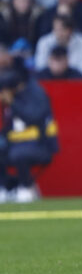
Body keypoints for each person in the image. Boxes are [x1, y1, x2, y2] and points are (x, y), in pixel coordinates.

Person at [0, 68, 59, 203]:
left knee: (19, 154)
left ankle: (25, 188)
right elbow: (9, 128)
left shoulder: (36, 94)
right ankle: (5, 187)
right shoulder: (13, 97)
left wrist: (12, 103)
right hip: (17, 143)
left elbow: (33, 118)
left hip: (41, 144)